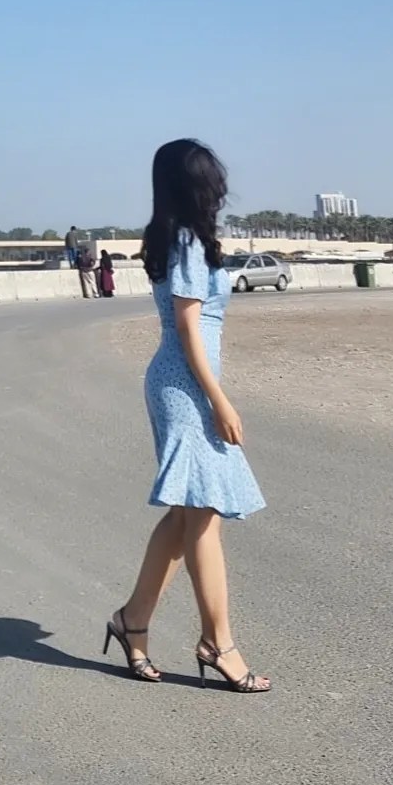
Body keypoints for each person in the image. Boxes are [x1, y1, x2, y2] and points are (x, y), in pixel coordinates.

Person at [105, 139, 269, 692]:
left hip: (182, 383)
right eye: (213, 178)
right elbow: (187, 326)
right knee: (202, 515)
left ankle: (132, 620)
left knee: (187, 517)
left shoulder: (176, 236)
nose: (221, 187)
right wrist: (220, 400)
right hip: (185, 388)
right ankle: (218, 643)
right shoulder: (187, 242)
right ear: (198, 184)